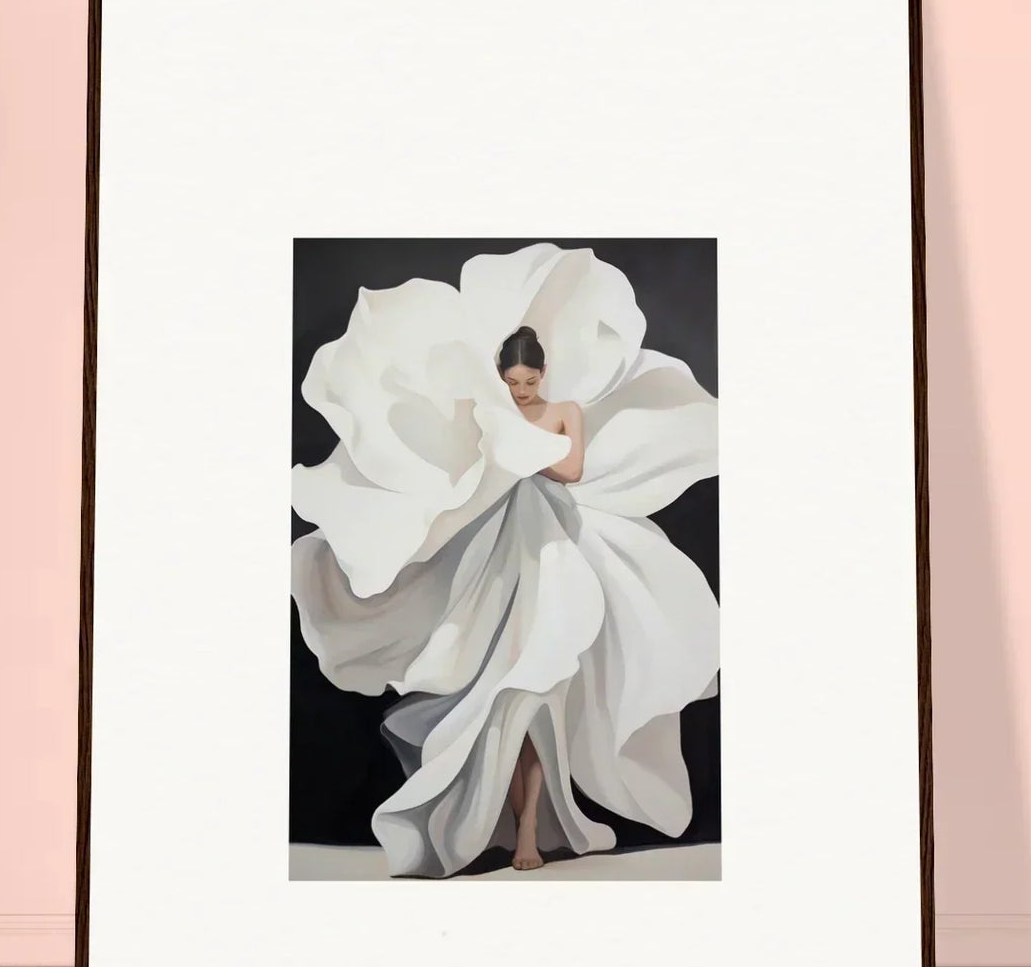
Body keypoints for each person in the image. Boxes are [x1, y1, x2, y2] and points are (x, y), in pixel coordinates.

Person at [291, 243, 719, 878]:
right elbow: (476, 475)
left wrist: (517, 443)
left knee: (542, 691)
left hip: (557, 545)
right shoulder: (494, 418)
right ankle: (499, 820)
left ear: (543, 376)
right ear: (499, 378)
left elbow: (571, 470)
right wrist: (500, 441)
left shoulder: (559, 413)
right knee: (500, 696)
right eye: (511, 386)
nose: (520, 393)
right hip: (501, 551)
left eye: (527, 383)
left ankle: (528, 829)